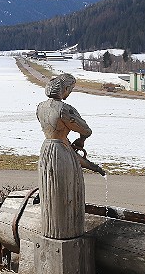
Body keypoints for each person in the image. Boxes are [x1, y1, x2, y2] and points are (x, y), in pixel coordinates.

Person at [36, 73, 99, 239]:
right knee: (66, 190)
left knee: (50, 190)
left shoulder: (40, 107)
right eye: (70, 89)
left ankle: (51, 229)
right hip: (61, 153)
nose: (69, 93)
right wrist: (81, 140)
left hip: (46, 150)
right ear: (64, 89)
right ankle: (67, 232)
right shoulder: (64, 108)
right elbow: (86, 129)